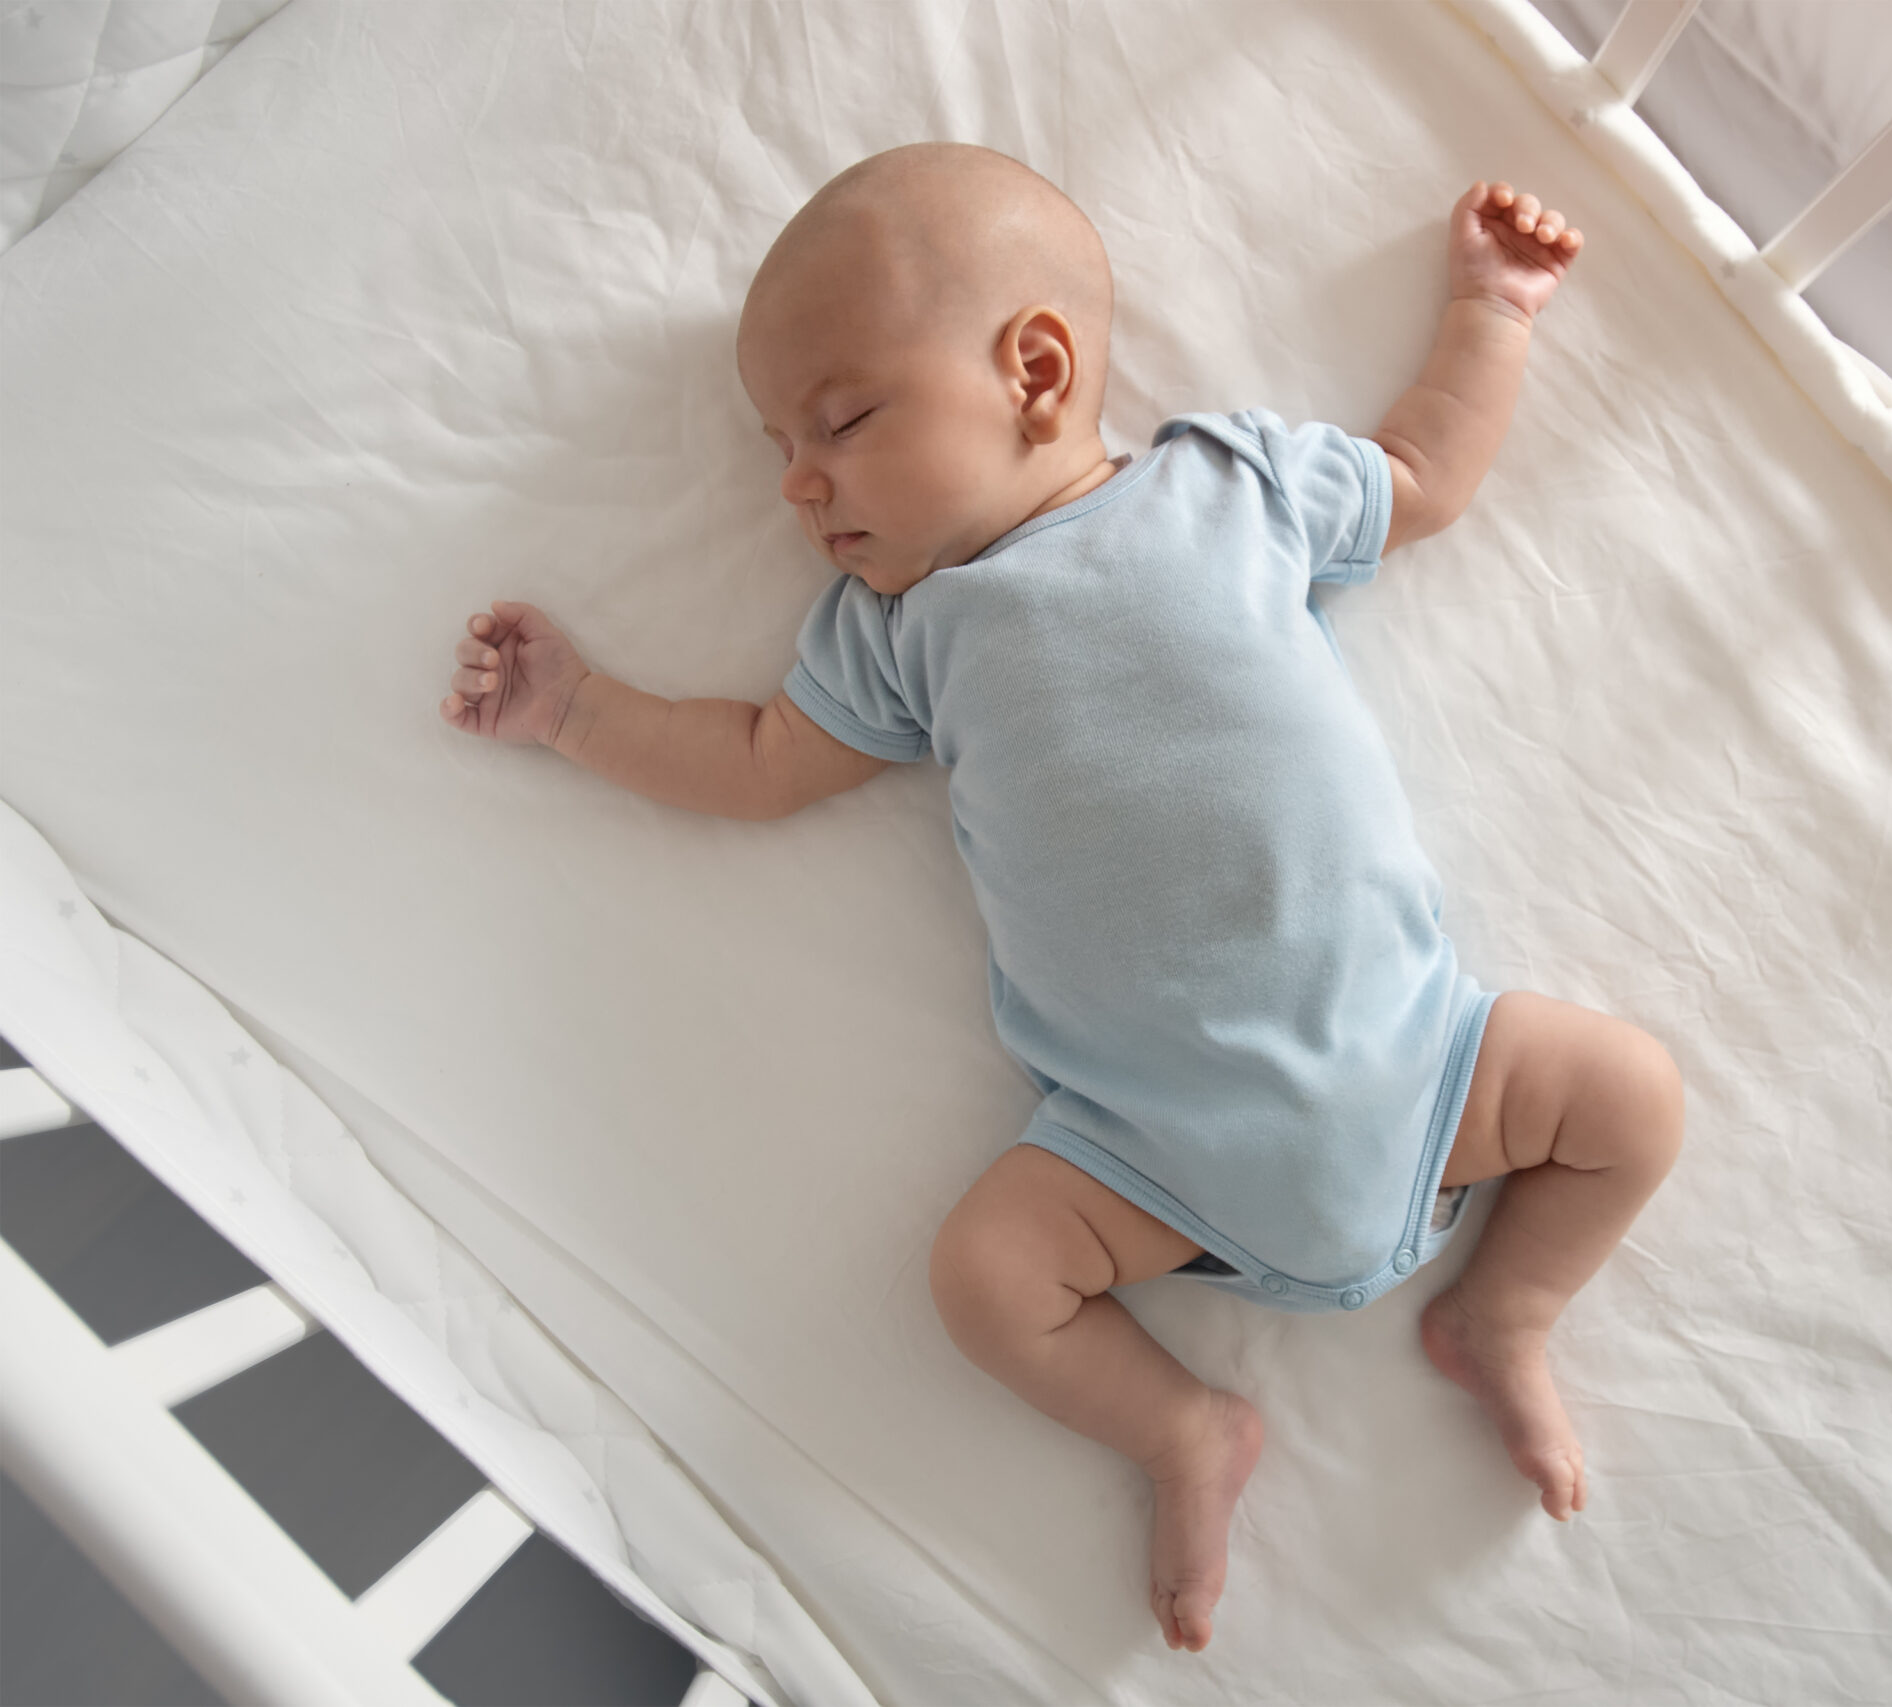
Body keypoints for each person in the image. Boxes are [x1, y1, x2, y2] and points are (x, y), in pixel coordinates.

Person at [439, 143, 1684, 1654]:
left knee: (1631, 1098)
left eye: (838, 420)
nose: (797, 482)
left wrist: (1492, 311)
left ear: (1035, 368)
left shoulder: (1226, 487)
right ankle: (1182, 1432)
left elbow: (1421, 480)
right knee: (982, 1278)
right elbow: (762, 761)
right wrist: (580, 714)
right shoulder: (903, 634)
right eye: (778, 446)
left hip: (1425, 1066)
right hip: (1144, 1152)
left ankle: (1509, 1311)